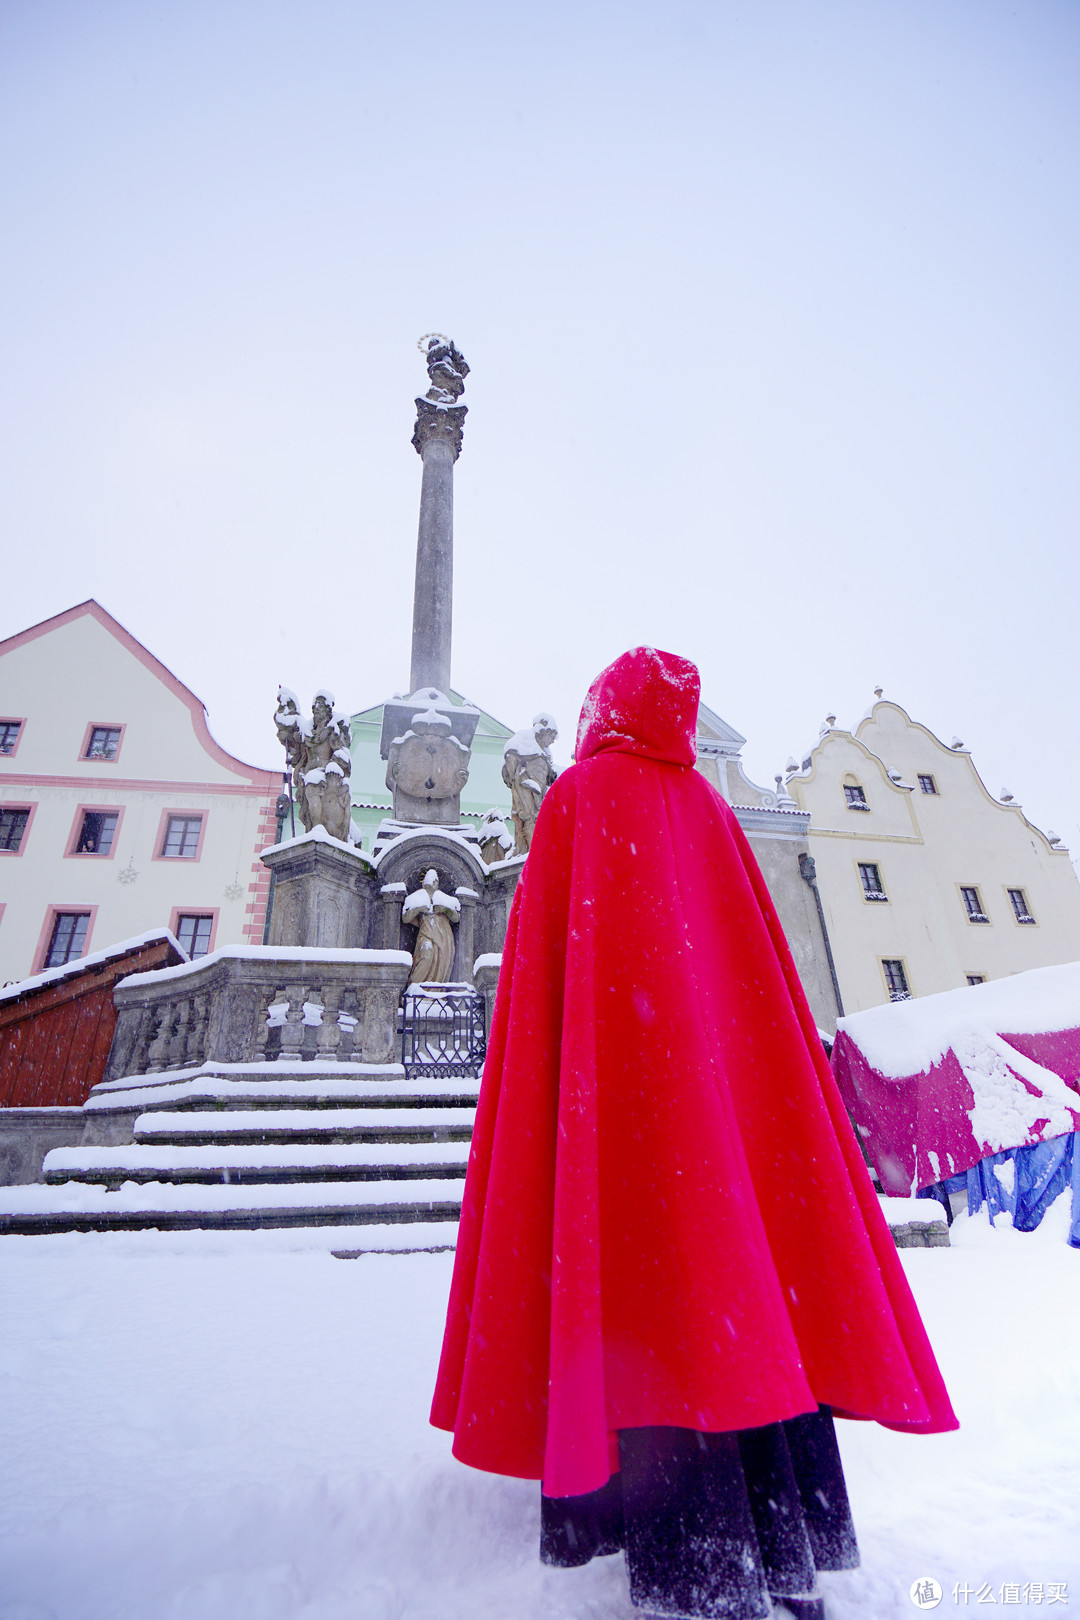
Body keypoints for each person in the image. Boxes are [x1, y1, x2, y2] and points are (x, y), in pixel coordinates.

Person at [431, 647, 957, 1620]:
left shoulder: (580, 800)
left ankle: (665, 1550)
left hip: (624, 1121)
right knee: (735, 1304)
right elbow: (752, 988)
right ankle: (778, 1540)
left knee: (642, 1311)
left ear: (603, 711)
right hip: (722, 1123)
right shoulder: (708, 812)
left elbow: (550, 985)